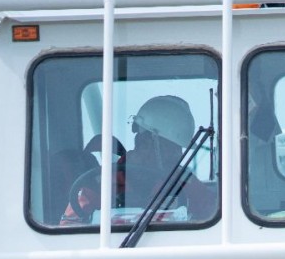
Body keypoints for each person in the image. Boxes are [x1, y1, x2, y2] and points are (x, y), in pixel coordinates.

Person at [60, 95, 214, 225]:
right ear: (147, 140)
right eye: (171, 147)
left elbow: (212, 218)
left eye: (178, 149)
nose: (177, 155)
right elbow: (70, 228)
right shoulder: (99, 182)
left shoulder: (184, 181)